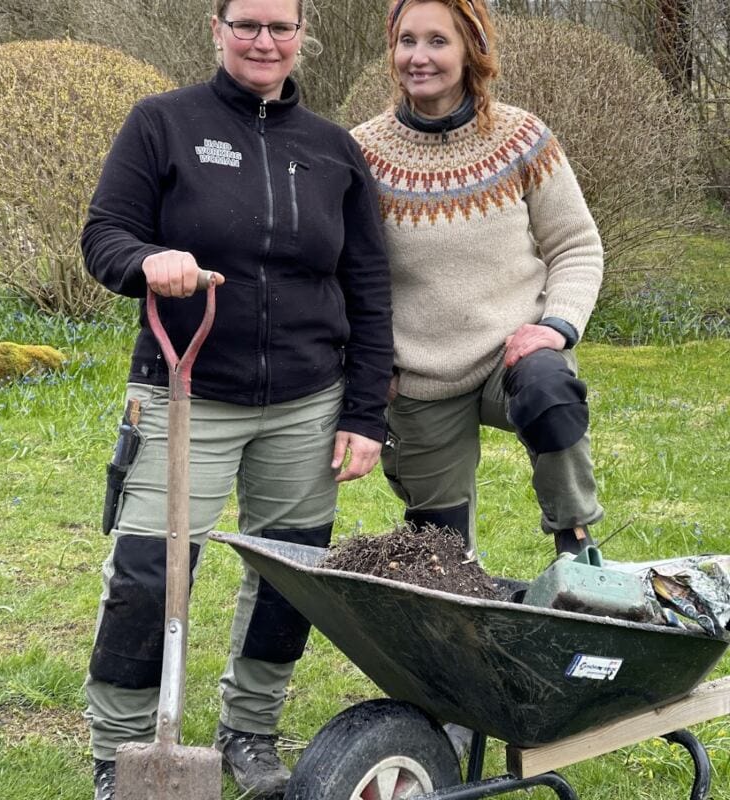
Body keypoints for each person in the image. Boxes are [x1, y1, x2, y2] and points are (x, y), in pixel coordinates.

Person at [80, 0, 393, 797]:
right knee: (151, 570)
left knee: (289, 574)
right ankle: (121, 750)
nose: (264, 40)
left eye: (280, 26)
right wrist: (149, 259)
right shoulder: (162, 124)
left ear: (301, 35)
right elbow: (105, 234)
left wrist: (364, 413)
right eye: (246, 24)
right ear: (216, 30)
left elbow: (367, 285)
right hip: (187, 389)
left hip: (306, 398)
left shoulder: (332, 150)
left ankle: (250, 730)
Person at [351, 0, 604, 563]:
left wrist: (557, 327)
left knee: (550, 390)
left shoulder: (522, 139)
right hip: (415, 375)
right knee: (438, 557)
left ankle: (576, 542)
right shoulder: (362, 153)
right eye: (406, 41)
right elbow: (343, 271)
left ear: (471, 49)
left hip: (509, 360)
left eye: (438, 41)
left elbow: (577, 245)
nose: (419, 57)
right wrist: (368, 364)